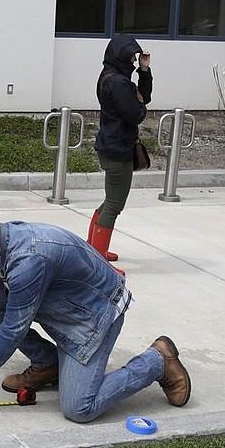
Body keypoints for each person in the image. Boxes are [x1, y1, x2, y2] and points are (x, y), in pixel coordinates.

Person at [0, 205, 190, 423]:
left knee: (79, 408)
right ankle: (47, 363)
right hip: (66, 302)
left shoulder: (28, 260)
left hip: (95, 315)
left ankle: (156, 361)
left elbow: (12, 330)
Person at [88, 35, 152, 276]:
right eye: (133, 57)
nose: (135, 61)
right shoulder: (118, 83)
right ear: (122, 56)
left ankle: (94, 249)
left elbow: (143, 98)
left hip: (110, 145)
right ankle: (98, 262)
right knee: (115, 204)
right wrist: (140, 106)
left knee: (109, 200)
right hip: (118, 149)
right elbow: (136, 113)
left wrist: (144, 72)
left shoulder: (110, 76)